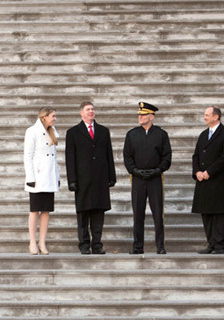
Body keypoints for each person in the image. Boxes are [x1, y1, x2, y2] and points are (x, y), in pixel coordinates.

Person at [65, 101, 116, 254]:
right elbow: (70, 158)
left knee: (98, 213)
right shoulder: (73, 132)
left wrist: (111, 176)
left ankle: (97, 244)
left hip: (100, 178)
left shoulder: (103, 131)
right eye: (88, 109)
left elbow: (109, 154)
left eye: (92, 109)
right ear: (81, 112)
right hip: (82, 179)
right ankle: (84, 244)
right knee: (83, 214)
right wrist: (72, 180)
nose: (91, 112)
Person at [123, 102, 172, 255]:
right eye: (139, 114)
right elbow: (127, 157)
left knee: (158, 214)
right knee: (138, 213)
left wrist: (158, 170)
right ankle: (137, 246)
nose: (140, 117)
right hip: (138, 179)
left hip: (155, 178)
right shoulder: (132, 134)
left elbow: (167, 157)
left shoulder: (161, 134)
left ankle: (160, 246)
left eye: (143, 115)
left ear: (151, 117)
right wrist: (135, 171)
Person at [192, 106, 224, 254]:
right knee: (206, 213)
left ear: (216, 117)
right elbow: (196, 156)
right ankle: (211, 243)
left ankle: (219, 245)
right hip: (203, 181)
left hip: (218, 181)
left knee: (218, 214)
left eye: (207, 115)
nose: (204, 117)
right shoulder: (203, 134)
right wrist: (197, 172)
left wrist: (209, 172)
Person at [23, 107, 60, 255]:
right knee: (34, 210)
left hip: (49, 177)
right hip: (37, 177)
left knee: (46, 211)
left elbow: (54, 158)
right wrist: (30, 177)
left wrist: (57, 177)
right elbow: (28, 156)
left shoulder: (52, 131)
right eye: (53, 116)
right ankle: (32, 241)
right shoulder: (32, 131)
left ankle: (42, 242)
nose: (55, 119)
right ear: (44, 117)